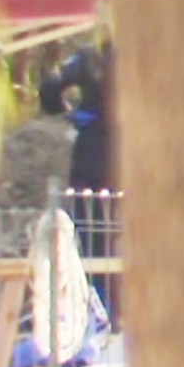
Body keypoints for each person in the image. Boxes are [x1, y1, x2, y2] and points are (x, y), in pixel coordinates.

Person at [39, 39, 119, 326]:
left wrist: (71, 113)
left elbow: (49, 90)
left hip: (92, 158)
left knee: (89, 239)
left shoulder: (88, 57)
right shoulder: (154, 51)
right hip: (130, 159)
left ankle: (99, 313)